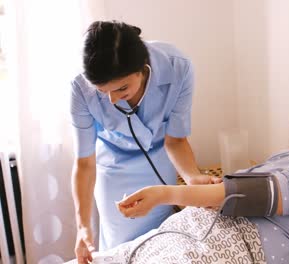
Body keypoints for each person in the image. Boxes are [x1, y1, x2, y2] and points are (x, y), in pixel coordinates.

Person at [116, 82, 289, 263]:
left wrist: (163, 194)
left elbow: (251, 195)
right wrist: (209, 189)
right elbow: (233, 191)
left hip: (238, 249)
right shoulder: (287, 157)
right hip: (191, 232)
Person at [70, 20, 221, 264]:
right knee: (123, 251)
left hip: (161, 162)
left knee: (166, 243)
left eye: (121, 88)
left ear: (143, 68)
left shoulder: (178, 67)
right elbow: (84, 164)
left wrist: (193, 182)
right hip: (114, 174)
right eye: (102, 91)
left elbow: (176, 141)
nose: (112, 100)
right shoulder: (79, 87)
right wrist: (82, 227)